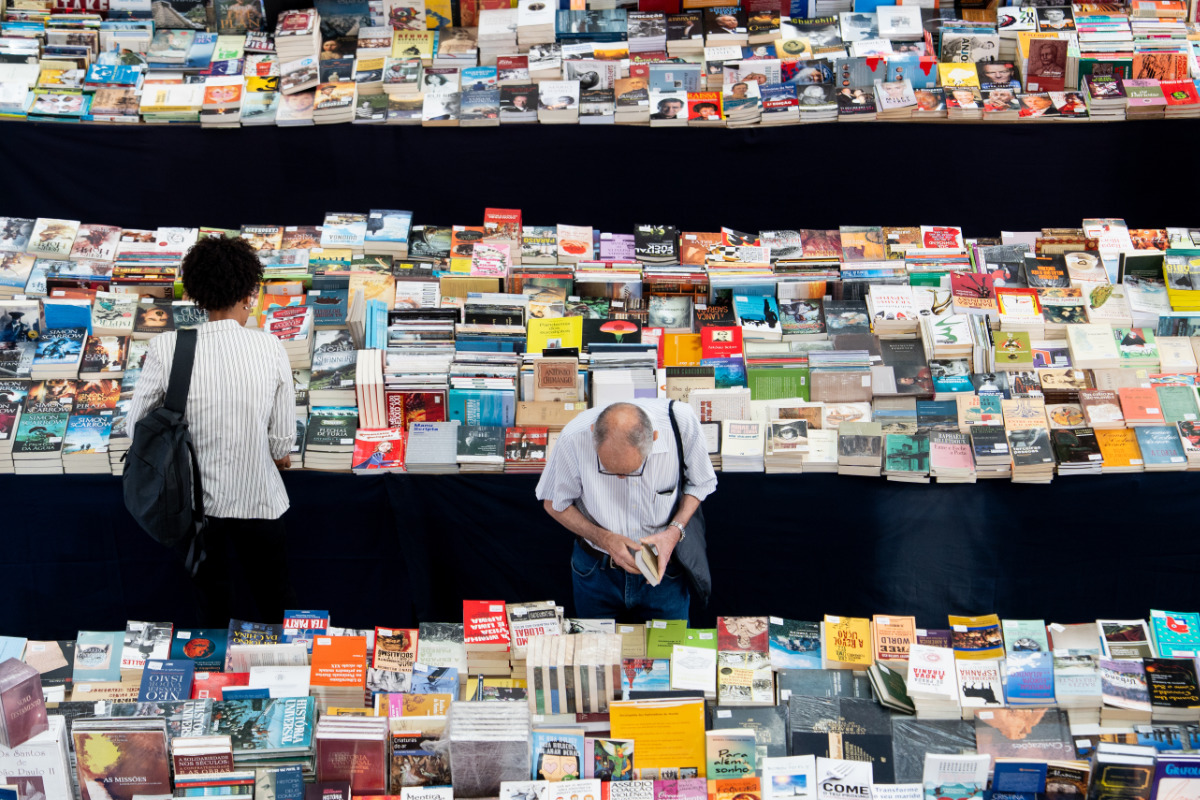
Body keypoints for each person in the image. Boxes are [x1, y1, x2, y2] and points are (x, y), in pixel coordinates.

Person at [126, 236, 296, 624]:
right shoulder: (270, 347)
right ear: (249, 293)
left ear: (198, 295)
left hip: (194, 505)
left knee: (212, 608)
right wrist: (275, 449)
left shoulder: (169, 347)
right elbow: (282, 440)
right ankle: (283, 674)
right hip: (259, 499)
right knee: (275, 601)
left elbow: (135, 423)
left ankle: (216, 678)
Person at [537, 400, 717, 621]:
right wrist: (604, 538)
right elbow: (555, 503)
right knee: (596, 653)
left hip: (664, 571)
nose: (621, 478)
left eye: (632, 470)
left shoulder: (680, 422)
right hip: (597, 571)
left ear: (655, 438)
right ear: (593, 434)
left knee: (669, 653)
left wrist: (674, 532)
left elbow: (700, 484)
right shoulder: (574, 436)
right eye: (609, 470)